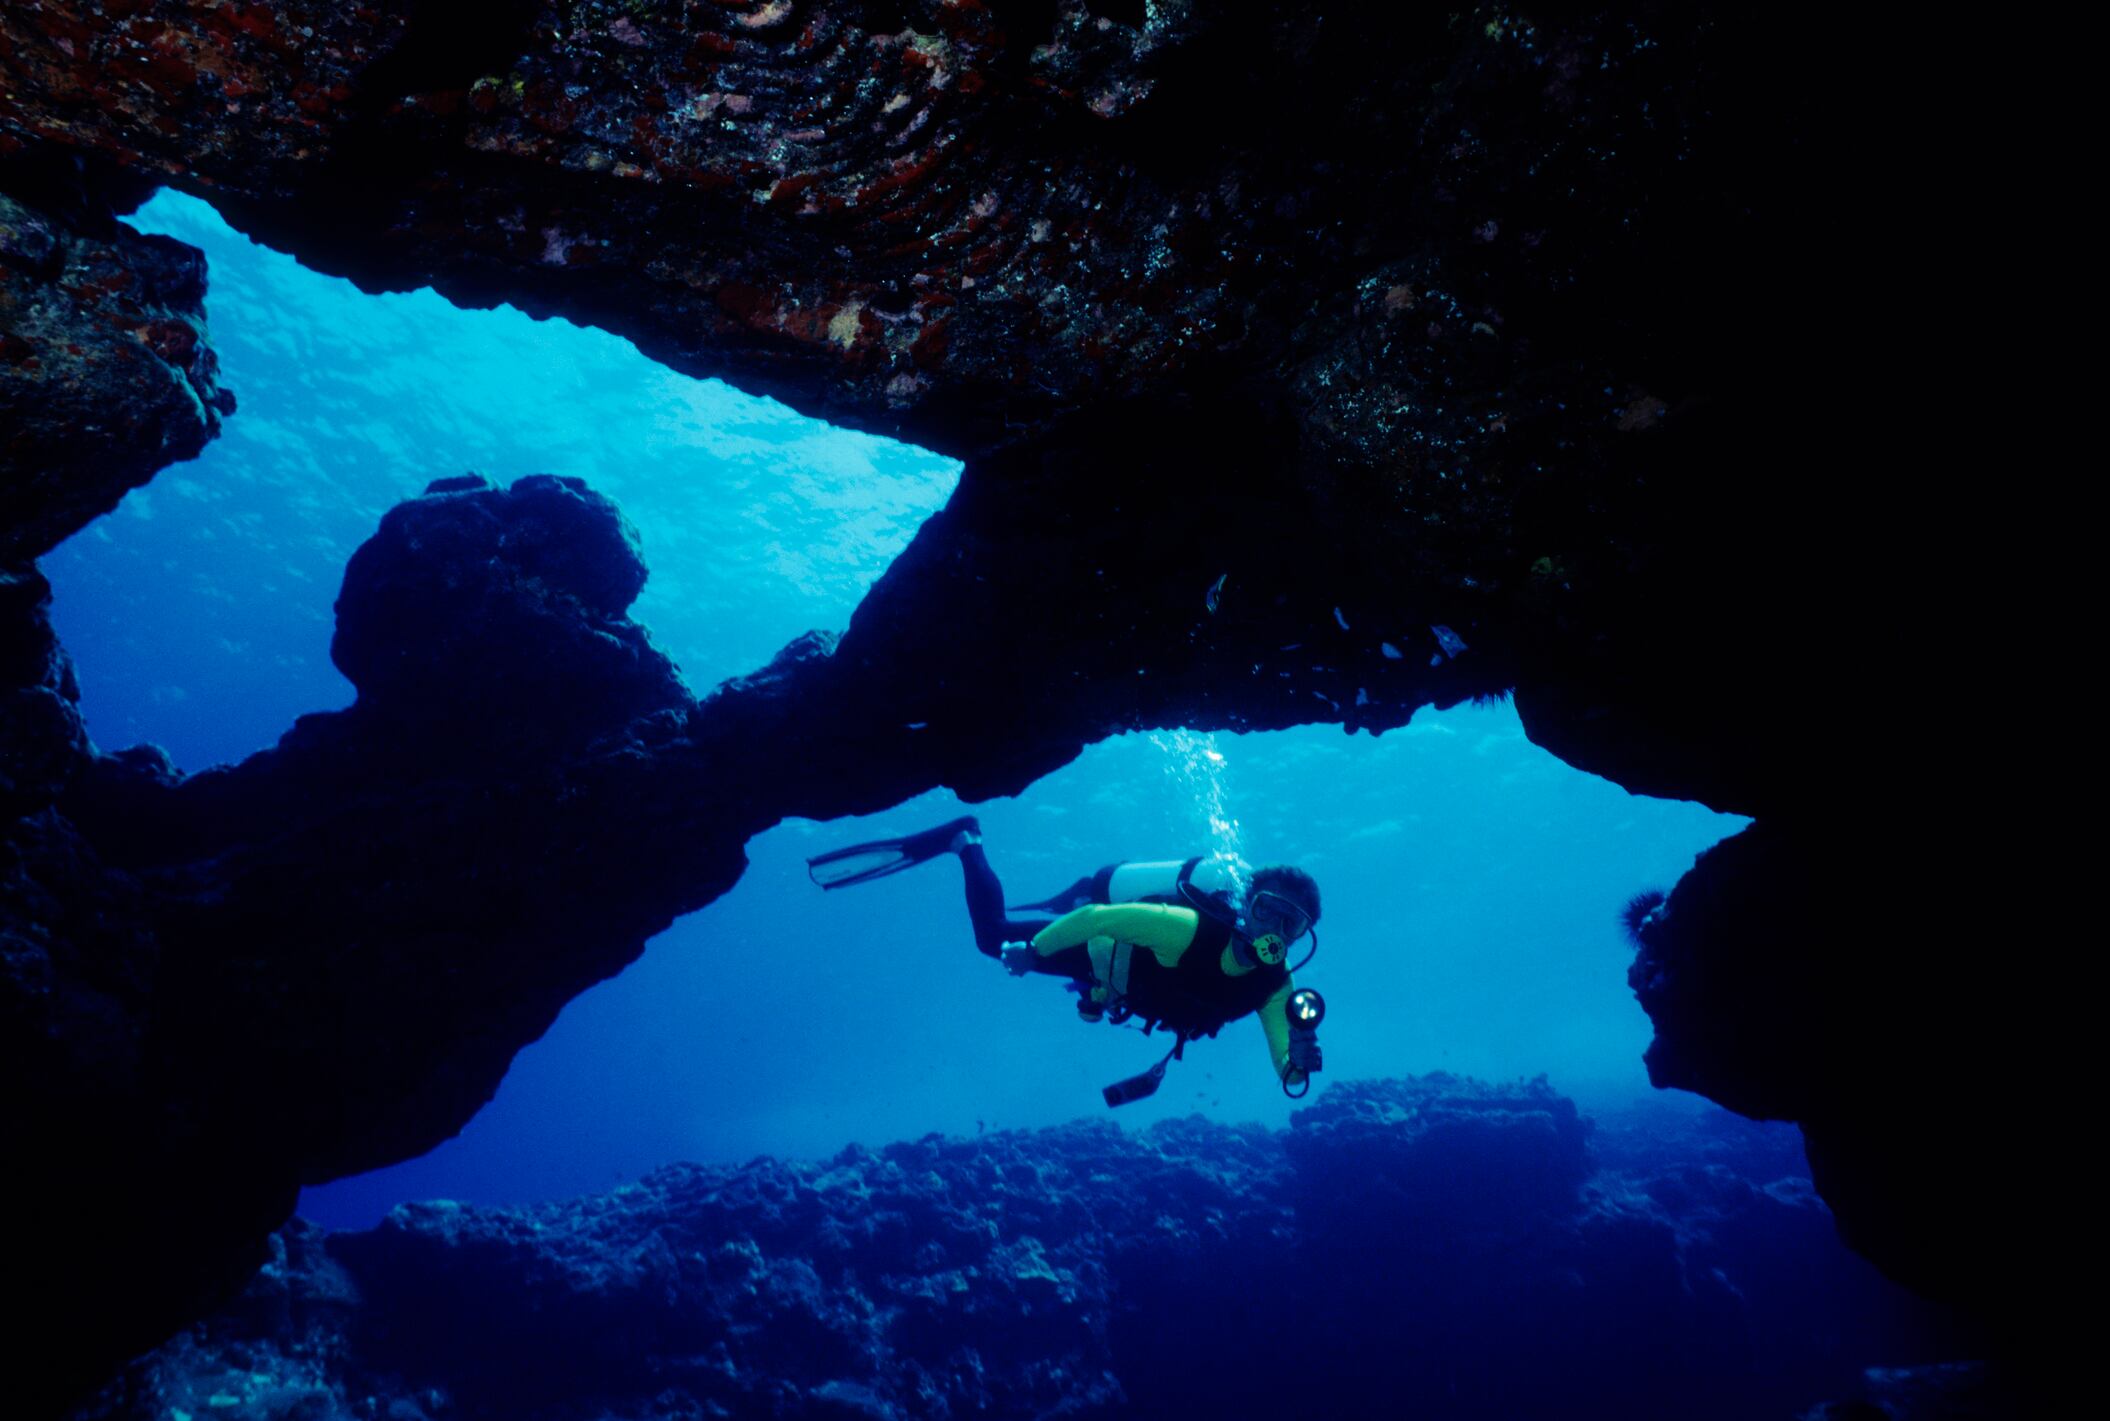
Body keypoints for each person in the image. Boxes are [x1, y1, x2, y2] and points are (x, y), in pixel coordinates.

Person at [808, 816, 1325, 1096]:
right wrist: (1033, 954)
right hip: (1100, 948)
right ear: (1245, 905)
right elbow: (1098, 919)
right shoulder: (1186, 928)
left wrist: (1296, 1068)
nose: (1274, 931)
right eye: (1268, 912)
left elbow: (1284, 1058)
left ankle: (1040, 906)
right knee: (995, 937)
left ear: (1302, 935)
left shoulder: (1274, 988)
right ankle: (965, 840)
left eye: (1292, 923)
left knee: (1041, 914)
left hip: (1122, 981)